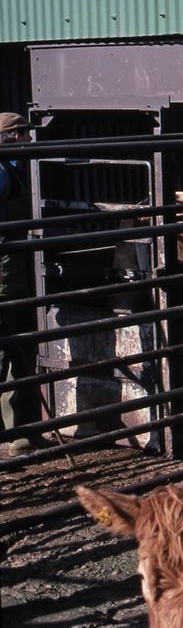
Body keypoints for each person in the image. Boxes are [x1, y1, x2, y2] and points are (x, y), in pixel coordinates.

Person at [1, 111, 42, 455]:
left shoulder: (10, 168)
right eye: (24, 134)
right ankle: (15, 438)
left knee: (15, 350)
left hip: (13, 273)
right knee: (9, 352)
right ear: (11, 137)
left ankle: (19, 435)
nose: (29, 140)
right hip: (5, 278)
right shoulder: (2, 172)